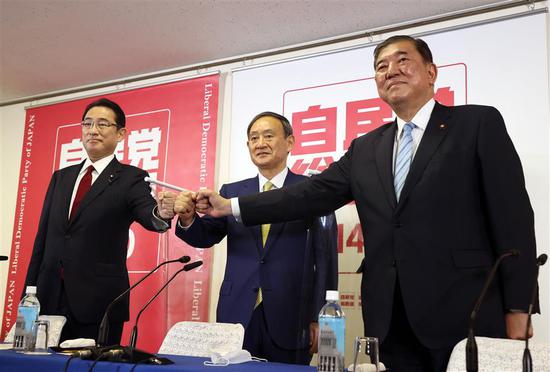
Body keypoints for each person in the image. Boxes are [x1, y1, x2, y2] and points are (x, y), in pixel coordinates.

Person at [193, 36, 538, 372]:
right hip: (389, 318)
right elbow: (306, 195)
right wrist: (230, 207)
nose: (391, 71)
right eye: (381, 66)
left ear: (431, 72)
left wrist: (518, 308)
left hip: (465, 313)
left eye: (403, 60)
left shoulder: (476, 124)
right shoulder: (366, 148)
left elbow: (513, 219)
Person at [173, 112, 338, 364]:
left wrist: (323, 319)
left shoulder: (311, 190)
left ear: (290, 142)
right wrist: (187, 218)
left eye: (269, 136)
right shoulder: (232, 193)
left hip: (293, 315)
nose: (260, 143)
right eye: (253, 138)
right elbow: (206, 236)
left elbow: (325, 260)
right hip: (237, 312)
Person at [24, 98, 176, 345]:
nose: (92, 130)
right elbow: (42, 241)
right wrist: (27, 296)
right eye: (87, 124)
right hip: (47, 298)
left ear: (121, 134)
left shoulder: (131, 178)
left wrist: (164, 212)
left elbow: (150, 214)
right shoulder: (61, 178)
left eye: (102, 124)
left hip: (98, 303)